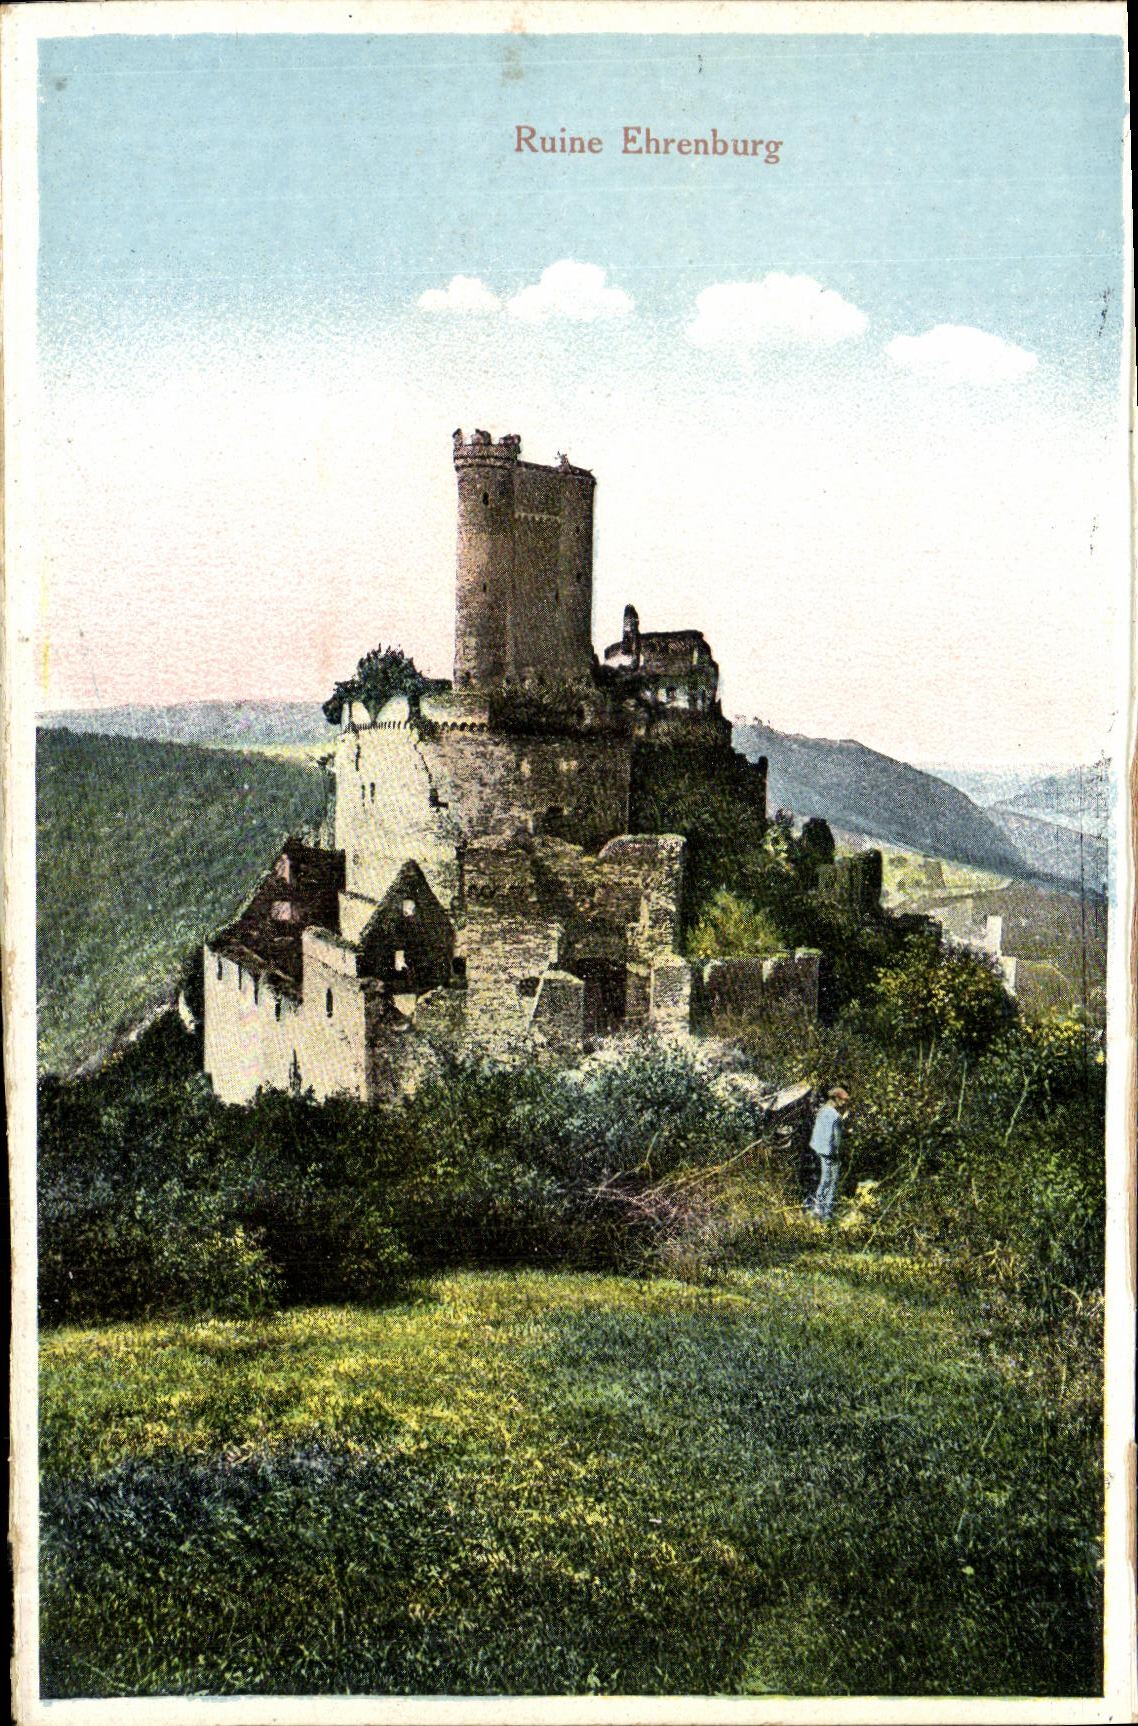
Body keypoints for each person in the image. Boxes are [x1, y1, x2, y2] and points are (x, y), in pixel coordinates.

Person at [805, 1086, 850, 1222]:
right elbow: (837, 1140)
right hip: (830, 1152)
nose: (844, 1103)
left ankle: (816, 1210)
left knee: (824, 1181)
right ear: (836, 1098)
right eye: (842, 1100)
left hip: (819, 1149)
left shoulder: (822, 1110)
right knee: (832, 1181)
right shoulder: (836, 1116)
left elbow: (820, 1131)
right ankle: (826, 1213)